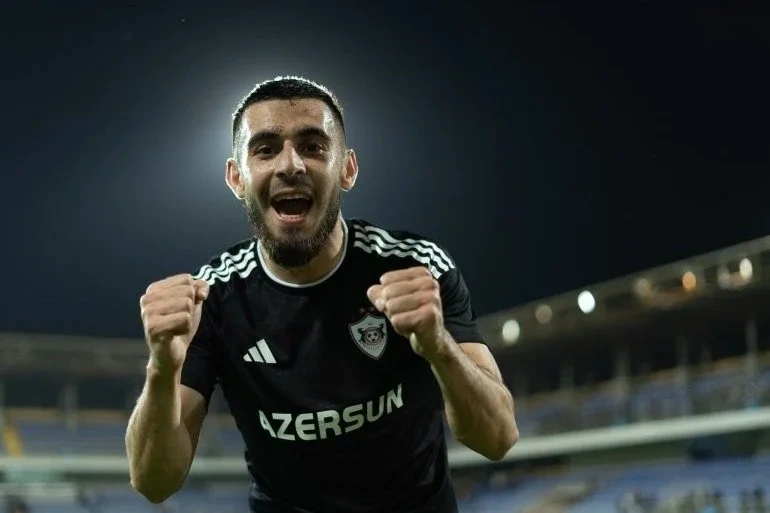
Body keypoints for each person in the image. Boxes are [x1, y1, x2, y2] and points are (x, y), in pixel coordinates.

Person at [125, 76, 518, 513]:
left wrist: (438, 346)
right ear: (236, 178)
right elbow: (153, 482)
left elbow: (498, 437)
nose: (290, 165)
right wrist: (161, 367)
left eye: (312, 146)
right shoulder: (212, 298)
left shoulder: (415, 268)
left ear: (347, 169)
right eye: (265, 149)